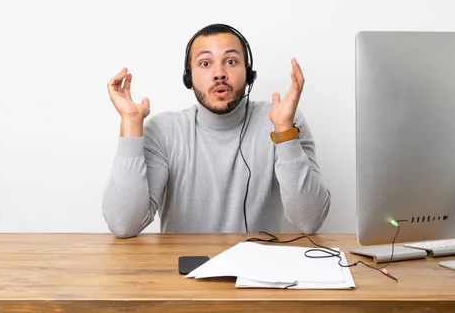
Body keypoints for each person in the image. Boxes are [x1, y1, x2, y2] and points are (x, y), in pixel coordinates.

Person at [102, 23, 330, 238]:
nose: (219, 73)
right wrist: (131, 122)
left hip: (257, 272)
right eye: (205, 63)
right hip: (182, 271)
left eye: (231, 62)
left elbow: (309, 221)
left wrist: (284, 131)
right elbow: (124, 224)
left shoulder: (284, 121)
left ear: (249, 74)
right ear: (188, 77)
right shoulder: (163, 131)